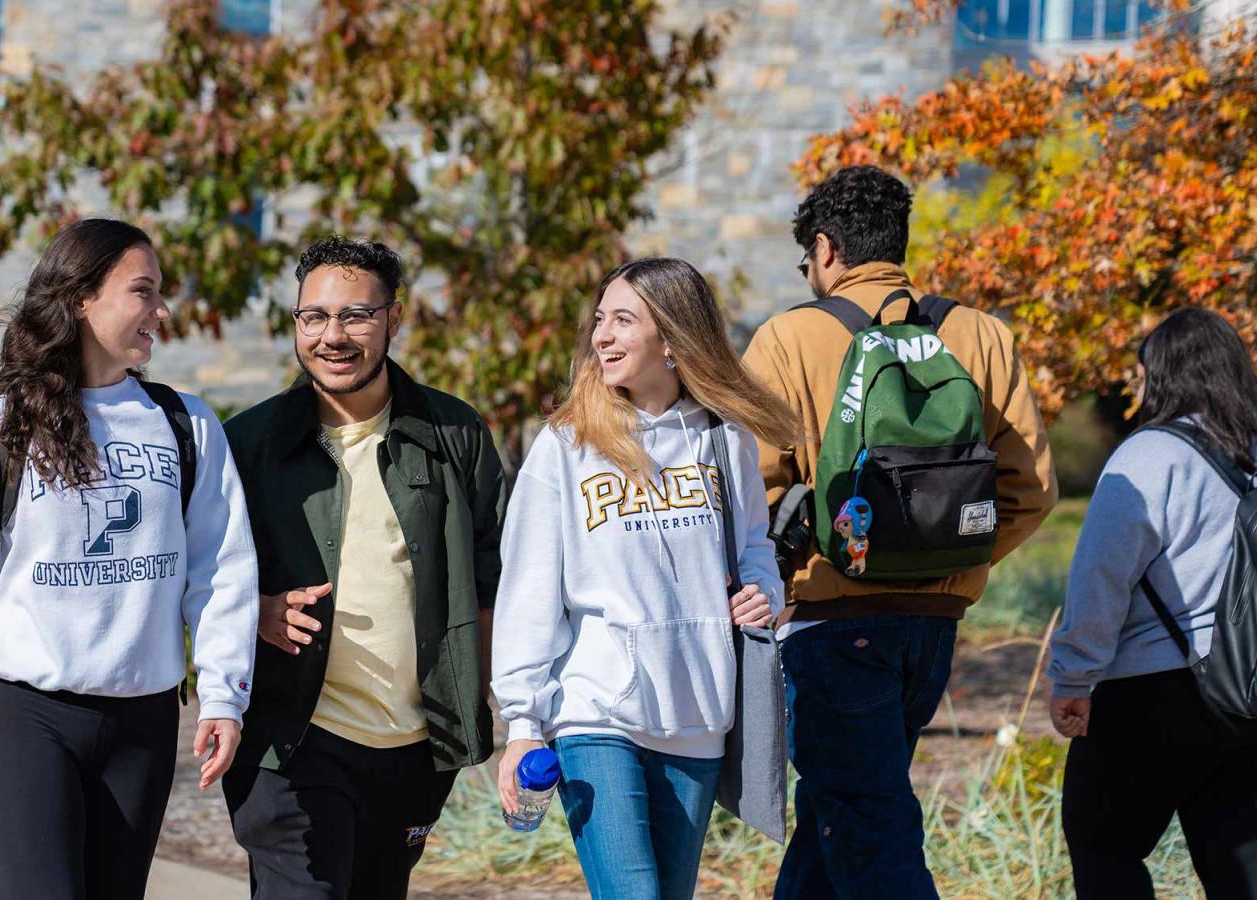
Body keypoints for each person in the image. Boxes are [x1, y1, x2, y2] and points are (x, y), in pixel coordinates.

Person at [0, 218, 259, 899]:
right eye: (143, 291)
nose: (161, 312)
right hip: (24, 716)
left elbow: (222, 570)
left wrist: (225, 693)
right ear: (82, 298)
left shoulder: (186, 425)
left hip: (143, 722)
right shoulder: (2, 423)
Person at [743, 165, 1057, 898]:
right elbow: (1031, 490)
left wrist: (792, 577)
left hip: (830, 623)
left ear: (825, 249)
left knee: (866, 824)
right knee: (841, 813)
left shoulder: (788, 339)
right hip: (935, 626)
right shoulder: (979, 334)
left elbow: (751, 490)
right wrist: (952, 562)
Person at [491, 257, 797, 899]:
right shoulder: (566, 445)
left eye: (622, 320)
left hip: (699, 713)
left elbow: (754, 548)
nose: (601, 335)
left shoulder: (725, 439)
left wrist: (763, 593)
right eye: (600, 320)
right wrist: (522, 724)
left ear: (674, 338)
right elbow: (527, 594)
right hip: (596, 712)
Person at [219, 236, 507, 899]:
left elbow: (492, 581)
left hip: (412, 746)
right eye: (313, 317)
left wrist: (483, 702)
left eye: (357, 315)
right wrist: (256, 611)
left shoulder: (455, 436)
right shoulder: (247, 444)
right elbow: (198, 577)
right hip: (290, 743)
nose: (333, 336)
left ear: (394, 320)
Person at [1047, 307, 1257, 898]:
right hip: (1246, 692)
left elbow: (1100, 579)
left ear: (1163, 375)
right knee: (1237, 858)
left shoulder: (1149, 458)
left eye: (1141, 376)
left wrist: (1074, 678)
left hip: (1150, 690)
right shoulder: (1252, 453)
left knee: (1103, 846)